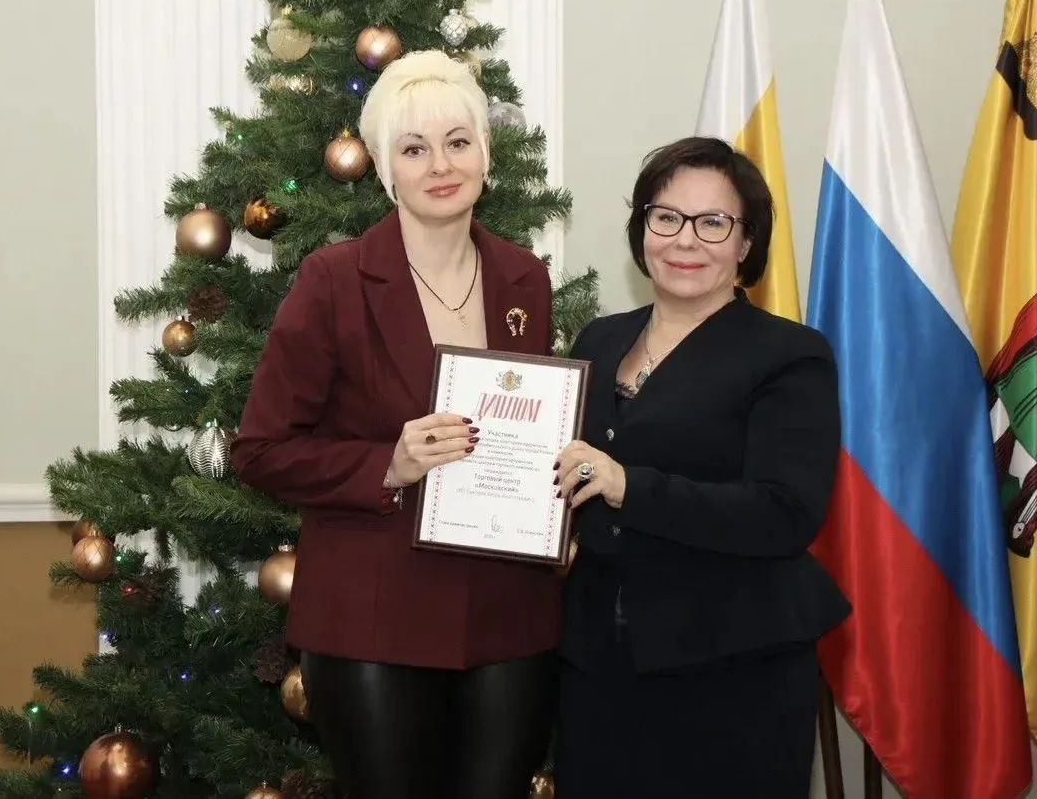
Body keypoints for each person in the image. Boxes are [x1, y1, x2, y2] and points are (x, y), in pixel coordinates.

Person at [231, 50, 559, 799]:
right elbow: (260, 450)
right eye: (414, 149)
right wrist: (388, 463)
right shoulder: (333, 280)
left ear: (486, 153)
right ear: (384, 171)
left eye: (458, 141)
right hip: (374, 616)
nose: (440, 165)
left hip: (510, 613)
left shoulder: (524, 278)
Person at [552, 136, 852, 797]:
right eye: (666, 217)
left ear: (746, 242)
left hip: (732, 671)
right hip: (597, 664)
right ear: (642, 229)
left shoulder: (789, 355)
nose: (685, 240)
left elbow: (785, 513)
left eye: (713, 222)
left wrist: (629, 486)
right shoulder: (599, 339)